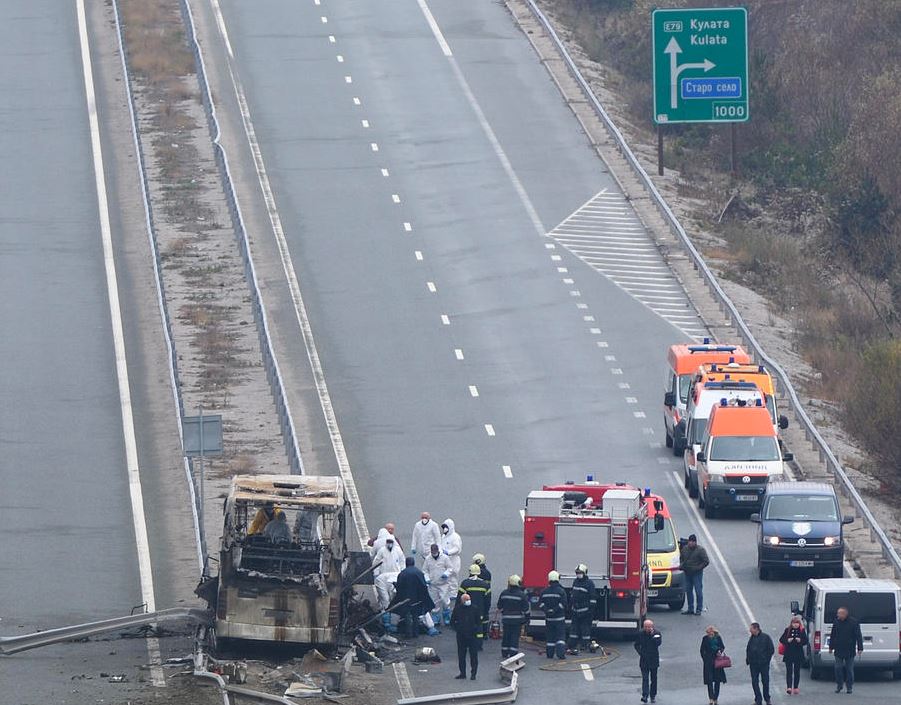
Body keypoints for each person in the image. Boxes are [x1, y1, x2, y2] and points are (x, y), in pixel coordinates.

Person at [391, 557, 438, 637]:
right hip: (416, 599)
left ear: (406, 563)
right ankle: (416, 633)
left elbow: (399, 587)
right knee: (415, 616)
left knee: (407, 616)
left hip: (406, 599)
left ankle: (408, 633)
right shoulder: (419, 573)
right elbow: (423, 586)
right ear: (413, 563)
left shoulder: (402, 573)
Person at [372, 535, 406, 629]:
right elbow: (376, 562)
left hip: (395, 576)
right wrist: (376, 573)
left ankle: (392, 617)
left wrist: (403, 572)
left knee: (393, 597)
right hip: (384, 577)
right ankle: (385, 618)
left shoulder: (398, 551)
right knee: (385, 600)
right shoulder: (382, 551)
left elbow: (402, 562)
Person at [829, 606, 863, 694]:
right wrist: (831, 647)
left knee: (849, 669)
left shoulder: (854, 622)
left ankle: (849, 687)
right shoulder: (836, 622)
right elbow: (833, 635)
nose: (837, 615)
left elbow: (858, 636)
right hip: (838, 649)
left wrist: (860, 648)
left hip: (850, 650)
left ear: (844, 614)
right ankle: (839, 685)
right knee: (838, 668)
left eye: (839, 613)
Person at [497, 575, 530, 659]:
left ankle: (504, 652)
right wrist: (527, 619)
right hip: (517, 620)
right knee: (514, 636)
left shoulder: (504, 593)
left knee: (506, 635)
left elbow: (499, 606)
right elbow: (526, 609)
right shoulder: (522, 595)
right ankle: (513, 653)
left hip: (506, 619)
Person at [457, 564, 491, 644]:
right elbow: (488, 600)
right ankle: (480, 641)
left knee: (468, 624)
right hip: (481, 609)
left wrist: (458, 610)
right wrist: (486, 610)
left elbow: (460, 598)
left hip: (467, 609)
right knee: (479, 625)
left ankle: (468, 640)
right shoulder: (485, 585)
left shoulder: (465, 583)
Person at [568, 563, 596, 655]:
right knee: (574, 630)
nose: (578, 574)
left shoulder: (589, 584)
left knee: (585, 630)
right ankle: (572, 645)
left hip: (586, 612)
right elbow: (573, 595)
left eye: (580, 573)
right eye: (577, 573)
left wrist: (589, 612)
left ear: (585, 573)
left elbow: (592, 599)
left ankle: (585, 645)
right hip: (575, 611)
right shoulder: (575, 581)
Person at [423, 543, 454, 626]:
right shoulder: (428, 559)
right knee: (434, 602)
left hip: (443, 584)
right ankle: (435, 618)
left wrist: (446, 574)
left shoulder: (444, 558)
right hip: (432, 584)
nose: (434, 554)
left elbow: (450, 568)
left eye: (435, 552)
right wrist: (427, 579)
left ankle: (446, 616)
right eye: (432, 552)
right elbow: (425, 570)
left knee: (445, 600)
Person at [451, 593, 481, 680]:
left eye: (469, 599)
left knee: (473, 656)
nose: (468, 601)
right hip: (461, 636)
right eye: (466, 600)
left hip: (472, 635)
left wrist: (475, 630)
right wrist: (458, 629)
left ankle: (473, 674)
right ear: (462, 601)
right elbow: (452, 622)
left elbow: (478, 622)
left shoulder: (474, 609)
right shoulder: (458, 609)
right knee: (461, 655)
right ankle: (462, 673)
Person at [539, 571, 568, 659]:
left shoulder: (544, 591)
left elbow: (541, 604)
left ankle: (550, 654)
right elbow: (564, 604)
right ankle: (560, 654)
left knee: (550, 637)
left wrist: (547, 611)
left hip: (549, 619)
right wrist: (554, 610)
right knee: (560, 637)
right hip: (559, 619)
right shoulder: (561, 591)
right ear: (557, 579)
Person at [746, 622, 774, 705]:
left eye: (751, 628)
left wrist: (766, 660)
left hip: (763, 664)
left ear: (756, 629)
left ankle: (767, 698)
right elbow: (748, 649)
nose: (750, 630)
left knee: (765, 681)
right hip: (753, 664)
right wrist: (748, 659)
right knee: (754, 682)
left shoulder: (766, 637)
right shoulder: (751, 638)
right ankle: (758, 699)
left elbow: (771, 650)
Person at [634, 619, 662, 704]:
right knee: (645, 679)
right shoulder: (640, 634)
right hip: (644, 660)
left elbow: (659, 643)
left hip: (654, 659)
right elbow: (636, 644)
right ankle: (645, 695)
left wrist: (652, 636)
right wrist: (641, 653)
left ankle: (653, 695)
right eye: (645, 627)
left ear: (652, 627)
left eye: (649, 627)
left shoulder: (657, 633)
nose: (647, 628)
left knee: (654, 678)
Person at [680, 534, 710, 615]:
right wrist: (682, 566)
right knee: (688, 591)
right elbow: (681, 558)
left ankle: (699, 609)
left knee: (698, 591)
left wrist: (698, 568)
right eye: (690, 541)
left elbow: (706, 561)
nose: (691, 543)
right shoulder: (684, 549)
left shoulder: (700, 550)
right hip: (687, 573)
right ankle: (690, 608)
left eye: (692, 542)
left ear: (695, 542)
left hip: (697, 573)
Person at [779, 615, 808, 695]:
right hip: (789, 653)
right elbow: (781, 639)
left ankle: (795, 687)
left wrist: (800, 641)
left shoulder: (802, 631)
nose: (795, 625)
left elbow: (805, 641)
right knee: (789, 671)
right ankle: (789, 687)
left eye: (797, 623)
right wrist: (787, 640)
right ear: (791, 624)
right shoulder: (787, 630)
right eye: (794, 623)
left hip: (798, 653)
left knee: (797, 671)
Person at [700, 625, 727, 705]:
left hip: (717, 661)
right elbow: (702, 649)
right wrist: (705, 658)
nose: (708, 635)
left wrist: (719, 651)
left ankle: (716, 697)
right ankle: (711, 698)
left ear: (713, 632)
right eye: (707, 633)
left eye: (709, 633)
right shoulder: (705, 638)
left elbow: (722, 646)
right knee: (709, 680)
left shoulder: (718, 638)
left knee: (717, 680)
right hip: (708, 662)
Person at [439, 519, 462, 598]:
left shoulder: (455, 537)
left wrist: (448, 552)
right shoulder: (443, 537)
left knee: (453, 578)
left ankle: (453, 593)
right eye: (444, 527)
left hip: (453, 560)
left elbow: (457, 548)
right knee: (446, 578)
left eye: (446, 527)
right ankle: (447, 592)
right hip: (445, 560)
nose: (444, 529)